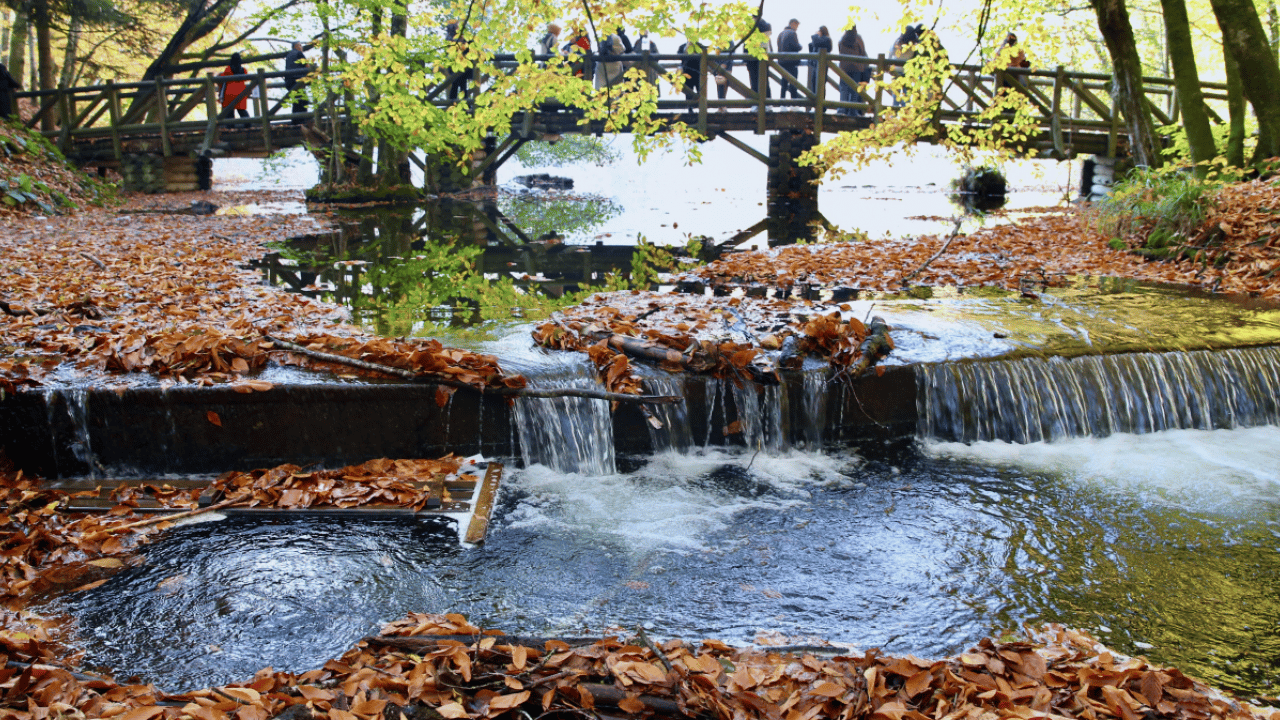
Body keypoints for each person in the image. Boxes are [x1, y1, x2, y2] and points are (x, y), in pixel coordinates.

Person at [218, 53, 250, 126]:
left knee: (229, 112)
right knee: (242, 111)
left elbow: (221, 78)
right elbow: (247, 78)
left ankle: (231, 127)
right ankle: (248, 125)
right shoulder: (243, 71)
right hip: (241, 93)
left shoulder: (228, 70)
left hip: (229, 93)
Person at [744, 17, 772, 100]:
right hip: (764, 56)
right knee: (765, 81)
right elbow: (768, 42)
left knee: (754, 81)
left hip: (752, 57)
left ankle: (755, 102)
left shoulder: (750, 25)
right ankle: (767, 101)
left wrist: (745, 57)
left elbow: (746, 42)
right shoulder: (767, 26)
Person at [284, 41, 310, 123]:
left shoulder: (288, 55)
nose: (301, 47)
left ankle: (295, 121)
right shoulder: (299, 53)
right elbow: (307, 66)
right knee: (303, 101)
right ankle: (302, 121)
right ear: (296, 46)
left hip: (289, 82)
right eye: (300, 45)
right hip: (297, 81)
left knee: (296, 101)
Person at [777, 18, 802, 99]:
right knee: (793, 84)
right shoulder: (792, 33)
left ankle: (782, 103)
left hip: (782, 62)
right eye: (796, 25)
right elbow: (796, 46)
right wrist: (801, 46)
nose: (797, 28)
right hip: (791, 62)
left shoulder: (780, 34)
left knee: (783, 83)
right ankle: (794, 103)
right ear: (793, 24)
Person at [446, 20, 470, 101]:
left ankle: (463, 105)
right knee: (456, 84)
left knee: (461, 85)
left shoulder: (458, 36)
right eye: (457, 26)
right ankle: (454, 104)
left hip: (462, 65)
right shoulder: (451, 37)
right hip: (455, 65)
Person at [807, 26, 832, 95]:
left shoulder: (826, 39)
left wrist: (815, 35)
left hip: (822, 66)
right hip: (816, 65)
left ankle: (821, 103)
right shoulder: (821, 40)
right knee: (814, 83)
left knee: (820, 84)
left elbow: (816, 43)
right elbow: (811, 46)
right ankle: (815, 102)